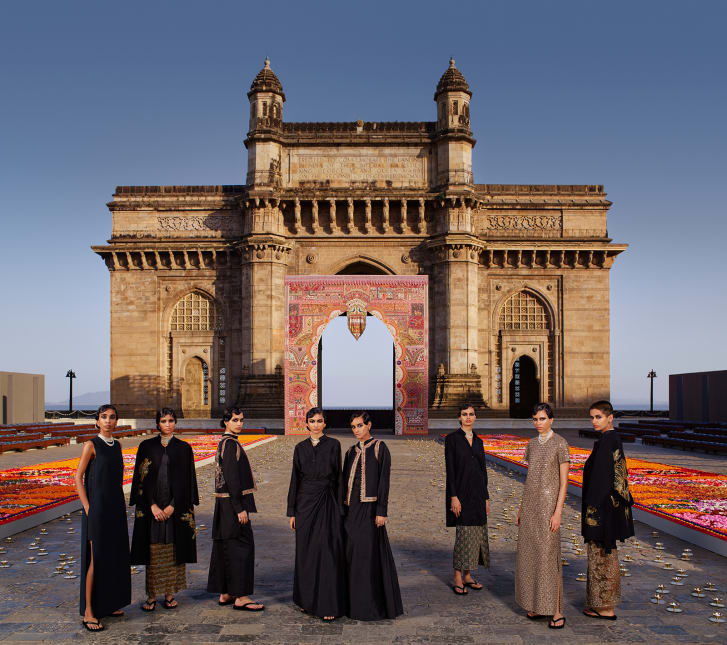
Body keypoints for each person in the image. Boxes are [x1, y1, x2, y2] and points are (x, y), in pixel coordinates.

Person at [130, 408, 199, 611]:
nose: (167, 424)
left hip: (174, 509)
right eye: (163, 421)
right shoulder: (146, 447)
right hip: (152, 509)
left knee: (173, 549)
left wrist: (172, 507)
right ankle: (151, 596)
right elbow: (140, 479)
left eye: (171, 420)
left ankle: (169, 595)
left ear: (175, 423)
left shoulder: (183, 448)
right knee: (153, 551)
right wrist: (151, 505)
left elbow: (188, 482)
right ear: (157, 423)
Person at [73, 404, 131, 632]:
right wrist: (88, 507)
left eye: (112, 417)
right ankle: (89, 611)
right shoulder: (91, 445)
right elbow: (77, 478)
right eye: (104, 417)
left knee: (114, 556)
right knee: (96, 558)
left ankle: (109, 604)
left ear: (116, 421)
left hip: (115, 508)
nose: (108, 420)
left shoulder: (117, 445)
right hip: (96, 510)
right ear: (97, 420)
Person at [286, 407, 346, 621]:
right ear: (307, 423)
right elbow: (295, 479)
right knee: (306, 551)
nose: (316, 424)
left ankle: (328, 603)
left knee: (328, 551)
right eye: (312, 421)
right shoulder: (300, 448)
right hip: (304, 504)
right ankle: (306, 600)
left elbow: (338, 478)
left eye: (320, 421)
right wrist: (292, 511)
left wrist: (341, 509)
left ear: (325, 423)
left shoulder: (334, 445)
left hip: (328, 501)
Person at [342, 411, 403, 620]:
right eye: (353, 427)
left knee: (367, 556)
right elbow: (343, 484)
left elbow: (383, 481)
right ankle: (352, 603)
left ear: (369, 425)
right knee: (352, 554)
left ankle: (370, 606)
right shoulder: (350, 451)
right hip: (351, 511)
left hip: (370, 511)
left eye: (359, 425)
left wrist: (381, 511)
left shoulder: (380, 448)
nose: (356, 430)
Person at [515, 402, 570, 629]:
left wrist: (557, 512)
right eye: (535, 419)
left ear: (552, 420)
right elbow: (530, 478)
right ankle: (537, 606)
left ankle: (556, 611)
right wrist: (521, 508)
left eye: (543, 419)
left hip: (549, 506)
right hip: (530, 505)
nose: (538, 423)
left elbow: (564, 483)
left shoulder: (560, 444)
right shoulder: (531, 444)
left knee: (549, 557)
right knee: (530, 555)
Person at [206, 407, 264, 611]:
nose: (239, 423)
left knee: (227, 548)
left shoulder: (225, 443)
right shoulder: (230, 444)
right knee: (242, 548)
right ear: (225, 422)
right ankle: (241, 596)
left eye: (241, 420)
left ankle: (226, 592)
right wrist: (240, 508)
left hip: (224, 505)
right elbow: (231, 478)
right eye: (235, 420)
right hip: (233, 506)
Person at [581, 400, 634, 620]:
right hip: (609, 509)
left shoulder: (607, 442)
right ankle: (604, 604)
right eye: (592, 417)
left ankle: (604, 607)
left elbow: (602, 481)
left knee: (601, 556)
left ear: (610, 417)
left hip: (601, 511)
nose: (594, 421)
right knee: (606, 556)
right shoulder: (611, 439)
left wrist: (591, 509)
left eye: (598, 417)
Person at [444, 403, 490, 596]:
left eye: (471, 414)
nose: (468, 417)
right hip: (460, 495)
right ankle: (457, 576)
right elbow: (451, 471)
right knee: (463, 535)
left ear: (475, 417)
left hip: (478, 495)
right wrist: (454, 497)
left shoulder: (478, 441)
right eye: (465, 414)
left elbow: (483, 471)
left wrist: (486, 498)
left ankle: (468, 575)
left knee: (476, 535)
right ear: (459, 417)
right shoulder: (452, 440)